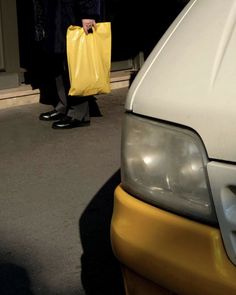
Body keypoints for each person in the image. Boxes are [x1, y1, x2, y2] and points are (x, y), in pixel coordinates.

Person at [26, 0, 102, 129]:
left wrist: (89, 14)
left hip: (71, 16)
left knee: (75, 64)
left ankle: (80, 113)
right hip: (54, 17)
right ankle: (63, 106)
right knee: (58, 64)